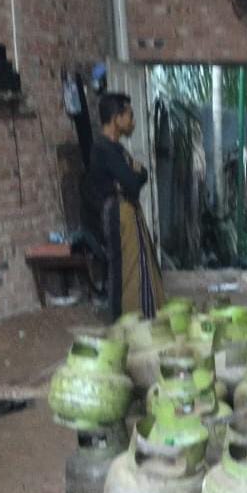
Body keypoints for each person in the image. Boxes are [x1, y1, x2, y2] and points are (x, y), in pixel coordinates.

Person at [87, 92, 165, 321]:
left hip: (127, 211)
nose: (133, 121)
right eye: (129, 116)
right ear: (116, 118)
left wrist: (135, 175)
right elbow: (132, 182)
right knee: (126, 269)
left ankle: (144, 316)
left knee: (140, 265)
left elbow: (141, 174)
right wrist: (134, 175)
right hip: (117, 214)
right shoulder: (103, 149)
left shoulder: (117, 149)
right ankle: (125, 320)